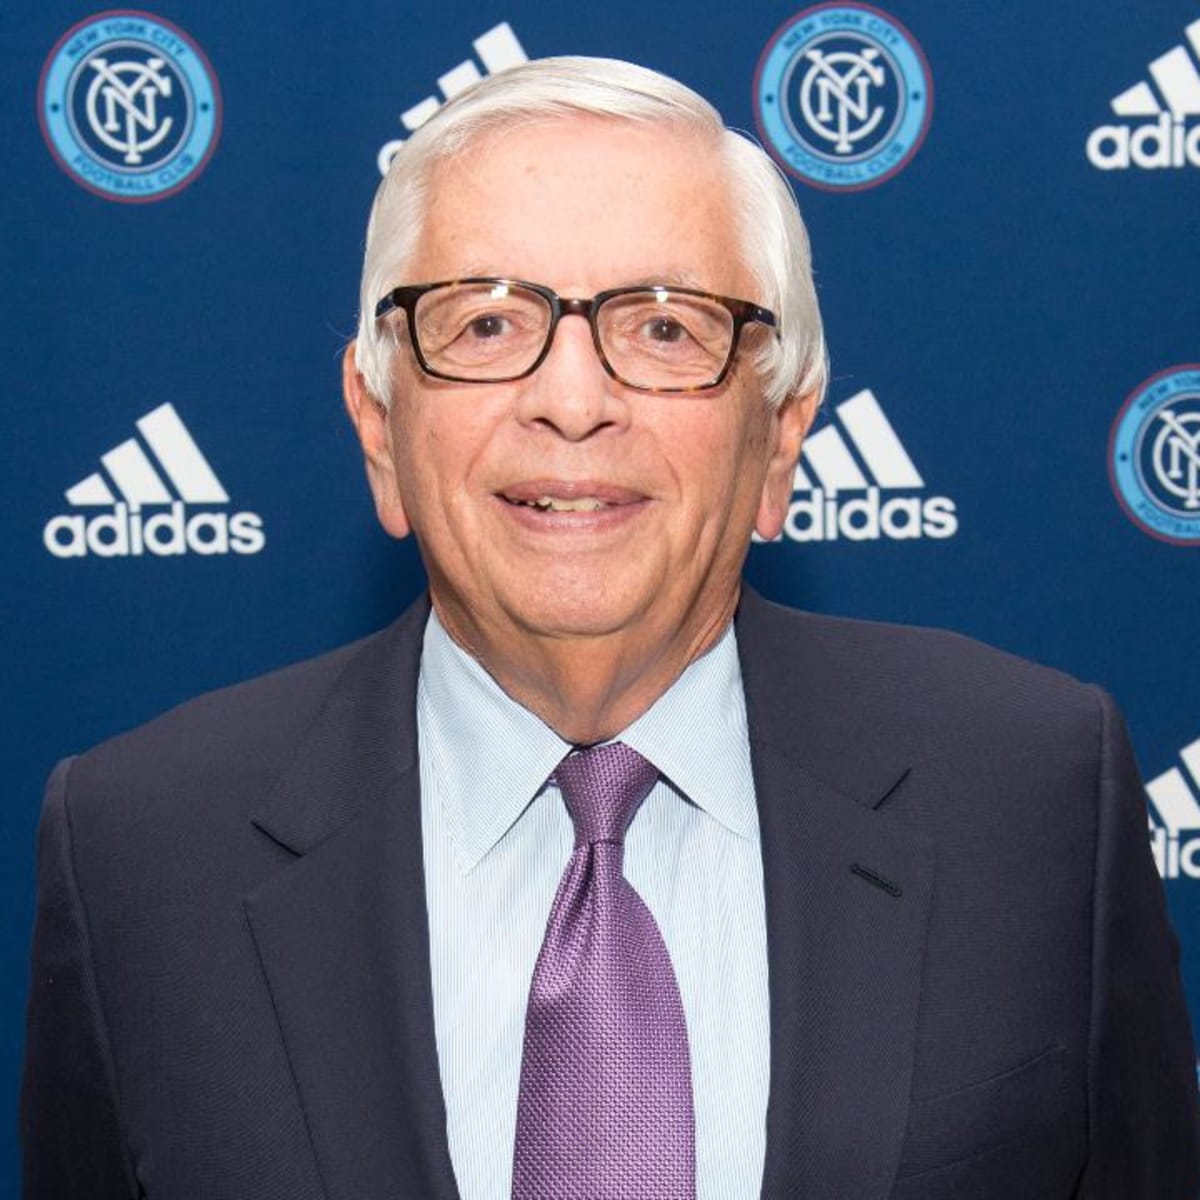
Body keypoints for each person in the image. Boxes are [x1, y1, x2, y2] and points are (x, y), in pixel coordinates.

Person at [21, 56, 1199, 1200]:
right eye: (486, 324)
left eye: (665, 328)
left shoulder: (1032, 791)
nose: (574, 402)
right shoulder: (139, 848)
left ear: (782, 436)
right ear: (379, 426)